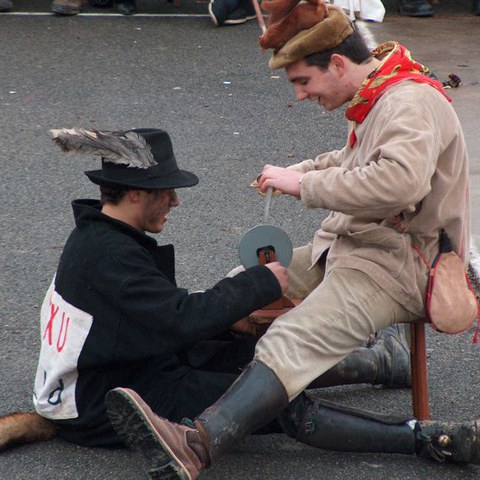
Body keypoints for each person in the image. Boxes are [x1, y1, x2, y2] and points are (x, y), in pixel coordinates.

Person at [103, 5, 480, 479]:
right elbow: (351, 157)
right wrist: (300, 170)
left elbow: (398, 184)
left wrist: (303, 187)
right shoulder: (382, 91)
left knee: (291, 337)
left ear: (338, 64)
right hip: (353, 248)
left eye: (303, 81)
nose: (301, 95)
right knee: (244, 286)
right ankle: (365, 365)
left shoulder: (409, 103)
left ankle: (198, 443)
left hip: (398, 266)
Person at [0, 126, 409, 450]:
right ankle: (423, 440)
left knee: (265, 356)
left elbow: (152, 319)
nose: (175, 202)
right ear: (137, 193)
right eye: (167, 192)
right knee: (270, 398)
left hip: (127, 367)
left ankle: (381, 364)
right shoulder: (108, 254)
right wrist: (261, 282)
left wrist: (232, 321)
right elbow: (180, 319)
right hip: (104, 400)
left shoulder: (100, 237)